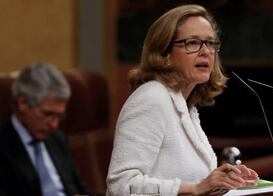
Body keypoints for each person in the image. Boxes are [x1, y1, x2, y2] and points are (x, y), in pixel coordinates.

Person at [106, 4, 259, 196]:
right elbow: (120, 185)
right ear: (165, 53)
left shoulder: (185, 104)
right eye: (193, 43)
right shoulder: (151, 98)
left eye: (210, 43)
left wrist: (224, 182)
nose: (205, 51)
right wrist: (196, 188)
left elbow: (192, 182)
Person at [0, 63, 90, 196]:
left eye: (59, 116)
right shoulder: (3, 145)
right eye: (48, 114)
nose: (54, 125)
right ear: (23, 103)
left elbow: (79, 188)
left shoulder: (58, 139)